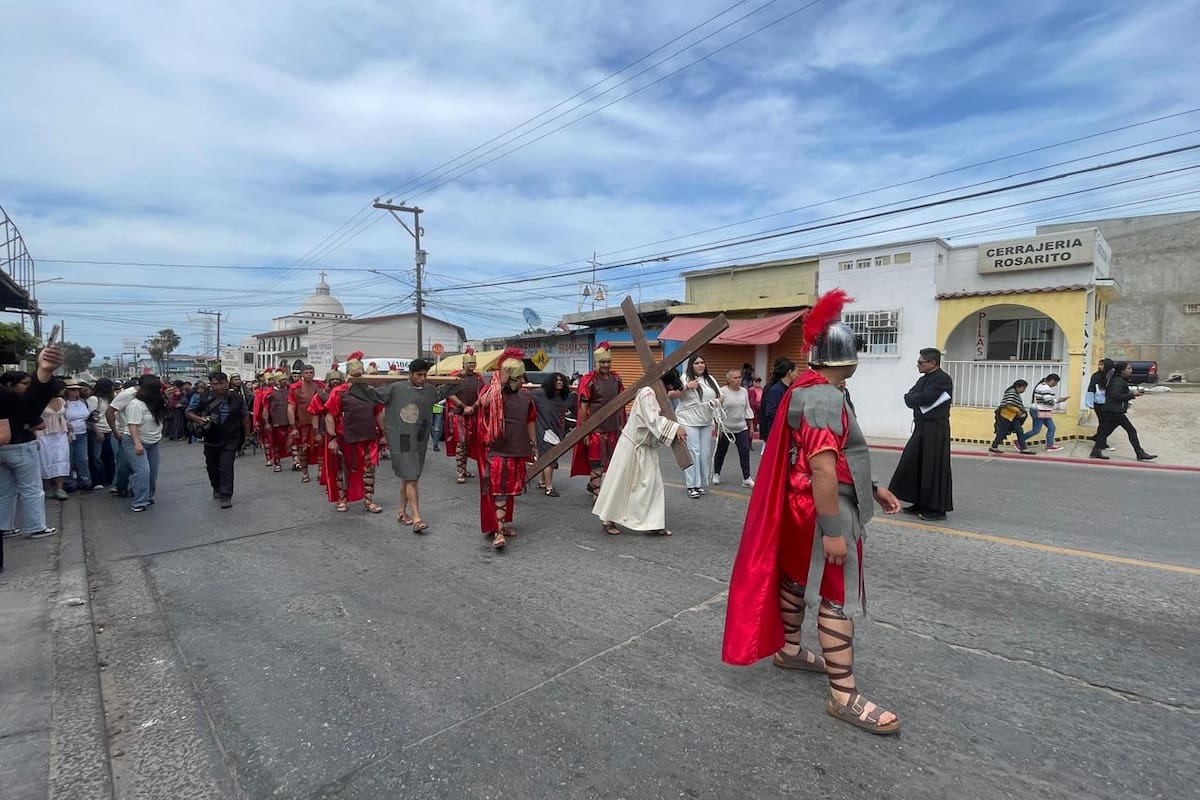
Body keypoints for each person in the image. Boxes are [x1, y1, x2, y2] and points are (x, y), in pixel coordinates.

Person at [723, 289, 902, 736]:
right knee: (836, 594)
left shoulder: (811, 389)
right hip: (823, 508)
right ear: (849, 357)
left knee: (795, 579)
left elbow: (832, 457)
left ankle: (788, 648)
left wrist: (873, 488)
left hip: (802, 503)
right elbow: (823, 466)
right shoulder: (824, 397)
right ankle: (844, 695)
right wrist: (834, 530)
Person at [593, 370, 687, 536]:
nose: (671, 388)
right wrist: (675, 428)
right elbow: (651, 419)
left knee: (652, 485)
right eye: (670, 385)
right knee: (620, 484)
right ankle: (608, 519)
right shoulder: (647, 392)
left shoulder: (658, 393)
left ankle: (653, 523)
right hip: (632, 446)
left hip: (646, 447)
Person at [1, 346, 66, 550]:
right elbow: (31, 413)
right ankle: (35, 527)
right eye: (24, 383)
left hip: (9, 448)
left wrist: (44, 372)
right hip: (19, 447)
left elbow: (31, 407)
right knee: (31, 489)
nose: (26, 386)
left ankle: (5, 527)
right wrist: (43, 373)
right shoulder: (8, 397)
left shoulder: (6, 396)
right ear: (11, 384)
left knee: (6, 491)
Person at [476, 349, 537, 549]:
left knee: (509, 491)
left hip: (517, 449)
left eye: (522, 378)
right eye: (517, 378)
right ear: (507, 378)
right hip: (497, 451)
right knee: (499, 491)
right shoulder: (491, 393)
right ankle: (498, 532)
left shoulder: (526, 396)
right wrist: (499, 383)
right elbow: (482, 404)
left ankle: (501, 525)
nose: (522, 382)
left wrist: (533, 444)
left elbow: (530, 421)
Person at [888, 347, 955, 521]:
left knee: (933, 467)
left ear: (932, 363)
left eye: (920, 362)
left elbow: (923, 398)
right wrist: (915, 398)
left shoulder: (943, 379)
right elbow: (909, 398)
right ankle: (919, 501)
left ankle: (937, 509)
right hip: (921, 428)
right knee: (914, 463)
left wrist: (915, 398)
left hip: (935, 429)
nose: (917, 365)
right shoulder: (923, 379)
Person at [374, 358, 438, 533]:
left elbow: (450, 389)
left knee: (409, 477)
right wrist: (355, 382)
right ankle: (417, 517)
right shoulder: (396, 389)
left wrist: (461, 376)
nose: (422, 378)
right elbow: (373, 394)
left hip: (420, 438)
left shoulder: (429, 390)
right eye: (419, 375)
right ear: (410, 374)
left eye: (425, 375)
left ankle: (401, 512)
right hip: (401, 439)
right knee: (411, 478)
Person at [322, 352, 385, 514]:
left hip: (369, 437)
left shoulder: (370, 391)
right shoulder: (339, 392)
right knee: (342, 468)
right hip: (344, 437)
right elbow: (330, 416)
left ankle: (368, 500)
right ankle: (342, 500)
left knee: (369, 469)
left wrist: (384, 434)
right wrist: (333, 438)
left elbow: (378, 414)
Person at [186, 372, 252, 508]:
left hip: (231, 437)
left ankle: (226, 495)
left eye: (222, 383)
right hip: (211, 437)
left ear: (227, 383)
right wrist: (200, 420)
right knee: (212, 466)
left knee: (226, 466)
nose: (219, 387)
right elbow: (188, 412)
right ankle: (216, 486)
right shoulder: (202, 398)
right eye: (215, 384)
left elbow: (245, 417)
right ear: (211, 384)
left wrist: (247, 436)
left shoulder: (237, 398)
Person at [571, 342, 626, 501]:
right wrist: (585, 431)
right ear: (596, 362)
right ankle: (597, 495)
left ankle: (593, 485)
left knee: (611, 463)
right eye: (602, 362)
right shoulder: (589, 381)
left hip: (613, 428)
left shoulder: (616, 378)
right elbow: (583, 408)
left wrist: (622, 425)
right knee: (597, 463)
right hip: (595, 430)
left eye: (608, 362)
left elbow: (621, 402)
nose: (606, 365)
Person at [674, 354, 722, 499]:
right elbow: (673, 394)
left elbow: (721, 396)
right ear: (691, 365)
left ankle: (700, 484)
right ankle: (691, 485)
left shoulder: (710, 379)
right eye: (697, 363)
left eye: (702, 362)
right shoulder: (684, 378)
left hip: (706, 420)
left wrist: (716, 402)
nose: (700, 365)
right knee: (693, 452)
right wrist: (687, 387)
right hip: (688, 420)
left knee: (705, 453)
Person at [1090, 362, 1156, 461]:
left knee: (1105, 431)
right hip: (1114, 411)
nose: (1131, 370)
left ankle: (1096, 450)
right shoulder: (1118, 381)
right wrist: (1132, 395)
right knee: (1131, 430)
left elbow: (1117, 395)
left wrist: (1130, 395)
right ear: (1122, 370)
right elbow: (1115, 396)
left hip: (1112, 410)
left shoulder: (1120, 380)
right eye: (1128, 368)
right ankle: (1139, 453)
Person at [125, 375, 166, 512]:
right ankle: (139, 502)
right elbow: (132, 426)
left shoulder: (156, 402)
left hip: (153, 441)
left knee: (152, 472)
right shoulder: (135, 404)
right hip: (135, 441)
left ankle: (149, 496)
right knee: (143, 471)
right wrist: (137, 443)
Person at [444, 347, 484, 484]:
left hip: (473, 414)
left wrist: (474, 407)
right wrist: (463, 406)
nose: (471, 366)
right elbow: (449, 393)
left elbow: (483, 394)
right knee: (461, 443)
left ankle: (464, 469)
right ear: (464, 364)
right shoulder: (456, 377)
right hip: (459, 415)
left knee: (467, 443)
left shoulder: (478, 378)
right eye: (469, 363)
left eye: (473, 363)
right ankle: (460, 471)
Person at [307, 363, 345, 501]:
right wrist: (316, 432)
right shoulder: (321, 395)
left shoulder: (345, 393)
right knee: (330, 461)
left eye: (338, 380)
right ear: (328, 381)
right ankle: (332, 486)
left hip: (345, 431)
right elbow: (314, 413)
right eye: (333, 380)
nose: (335, 382)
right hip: (327, 431)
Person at [713, 368, 755, 488]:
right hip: (726, 429)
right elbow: (717, 411)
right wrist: (718, 428)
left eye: (739, 377)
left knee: (745, 451)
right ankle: (716, 473)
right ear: (729, 379)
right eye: (735, 378)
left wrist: (751, 426)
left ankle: (746, 478)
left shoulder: (744, 391)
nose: (738, 380)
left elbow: (747, 408)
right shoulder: (722, 391)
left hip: (741, 427)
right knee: (721, 452)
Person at [533, 372, 572, 497]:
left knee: (546, 456)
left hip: (558, 431)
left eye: (561, 380)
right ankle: (549, 487)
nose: (559, 382)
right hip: (544, 431)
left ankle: (542, 481)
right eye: (556, 380)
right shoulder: (540, 394)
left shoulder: (563, 397)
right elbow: (523, 396)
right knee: (549, 458)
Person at [106, 378, 143, 498]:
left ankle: (134, 487)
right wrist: (115, 431)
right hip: (125, 433)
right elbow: (109, 412)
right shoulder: (127, 395)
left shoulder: (146, 395)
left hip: (142, 433)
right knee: (123, 463)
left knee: (137, 464)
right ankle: (121, 486)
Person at [288, 365, 323, 483]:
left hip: (318, 423)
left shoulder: (320, 387)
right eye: (306, 372)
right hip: (302, 424)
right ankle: (305, 473)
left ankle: (320, 471)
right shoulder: (295, 389)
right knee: (303, 450)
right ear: (302, 374)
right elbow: (291, 407)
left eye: (311, 372)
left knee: (320, 448)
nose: (309, 374)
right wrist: (293, 426)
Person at [36, 379, 71, 500]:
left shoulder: (62, 401)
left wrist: (69, 432)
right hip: (43, 433)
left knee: (61, 458)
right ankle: (47, 487)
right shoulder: (39, 401)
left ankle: (59, 487)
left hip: (60, 433)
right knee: (45, 459)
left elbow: (64, 417)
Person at [988, 380, 1036, 455]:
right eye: (1023, 388)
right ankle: (994, 447)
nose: (1024, 390)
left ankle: (1024, 448)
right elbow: (1008, 404)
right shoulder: (1011, 392)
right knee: (1002, 432)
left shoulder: (1015, 393)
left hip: (1013, 416)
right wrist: (1018, 411)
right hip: (1006, 416)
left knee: (1019, 431)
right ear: (1018, 387)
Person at [87, 378, 117, 489]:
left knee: (108, 456)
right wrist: (97, 431)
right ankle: (97, 480)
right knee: (96, 457)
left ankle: (108, 478)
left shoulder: (109, 400)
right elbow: (91, 417)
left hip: (109, 430)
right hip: (98, 431)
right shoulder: (94, 400)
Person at [1028, 373, 1068, 452]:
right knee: (1036, 430)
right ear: (1052, 380)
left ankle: (1050, 445)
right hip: (1039, 410)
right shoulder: (1045, 387)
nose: (1056, 385)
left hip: (1043, 410)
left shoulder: (1042, 385)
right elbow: (1048, 401)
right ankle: (1019, 441)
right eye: (1056, 383)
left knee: (1052, 427)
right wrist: (1058, 400)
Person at [63, 382, 93, 490]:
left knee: (83, 458)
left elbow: (88, 416)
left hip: (82, 433)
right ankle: (68, 482)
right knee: (69, 458)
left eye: (77, 390)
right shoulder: (64, 404)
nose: (75, 392)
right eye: (72, 390)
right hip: (68, 434)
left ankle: (85, 480)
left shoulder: (82, 403)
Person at [760, 358, 796, 445]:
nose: (797, 375)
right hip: (777, 431)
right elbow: (771, 412)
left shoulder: (791, 388)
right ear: (789, 372)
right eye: (796, 372)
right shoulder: (776, 390)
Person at [1085, 358, 1114, 449]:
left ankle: (1098, 438)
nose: (1100, 366)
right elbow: (1091, 389)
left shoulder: (1111, 376)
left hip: (1108, 403)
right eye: (1099, 364)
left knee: (1105, 423)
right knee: (1104, 423)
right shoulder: (1096, 376)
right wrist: (1090, 403)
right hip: (1099, 403)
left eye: (1102, 365)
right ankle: (1101, 443)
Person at [747, 376, 763, 448]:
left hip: (759, 410)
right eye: (756, 381)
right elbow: (752, 402)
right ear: (753, 382)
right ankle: (748, 443)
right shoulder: (752, 390)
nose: (758, 383)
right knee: (751, 427)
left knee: (755, 427)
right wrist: (759, 406)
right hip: (753, 411)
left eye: (759, 381)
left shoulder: (761, 389)